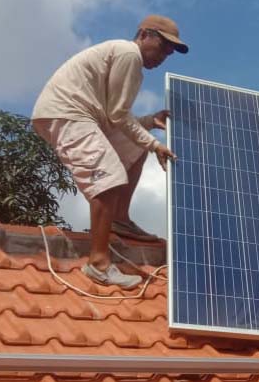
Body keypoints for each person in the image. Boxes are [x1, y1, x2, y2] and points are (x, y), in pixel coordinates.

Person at [31, 15, 188, 289]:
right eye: (163, 46)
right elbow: (118, 116)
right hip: (67, 113)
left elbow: (115, 116)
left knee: (136, 145)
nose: (165, 54)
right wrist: (155, 145)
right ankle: (99, 264)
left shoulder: (126, 58)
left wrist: (150, 122)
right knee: (108, 177)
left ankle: (120, 220)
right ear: (144, 34)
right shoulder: (129, 55)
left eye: (170, 51)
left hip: (84, 116)